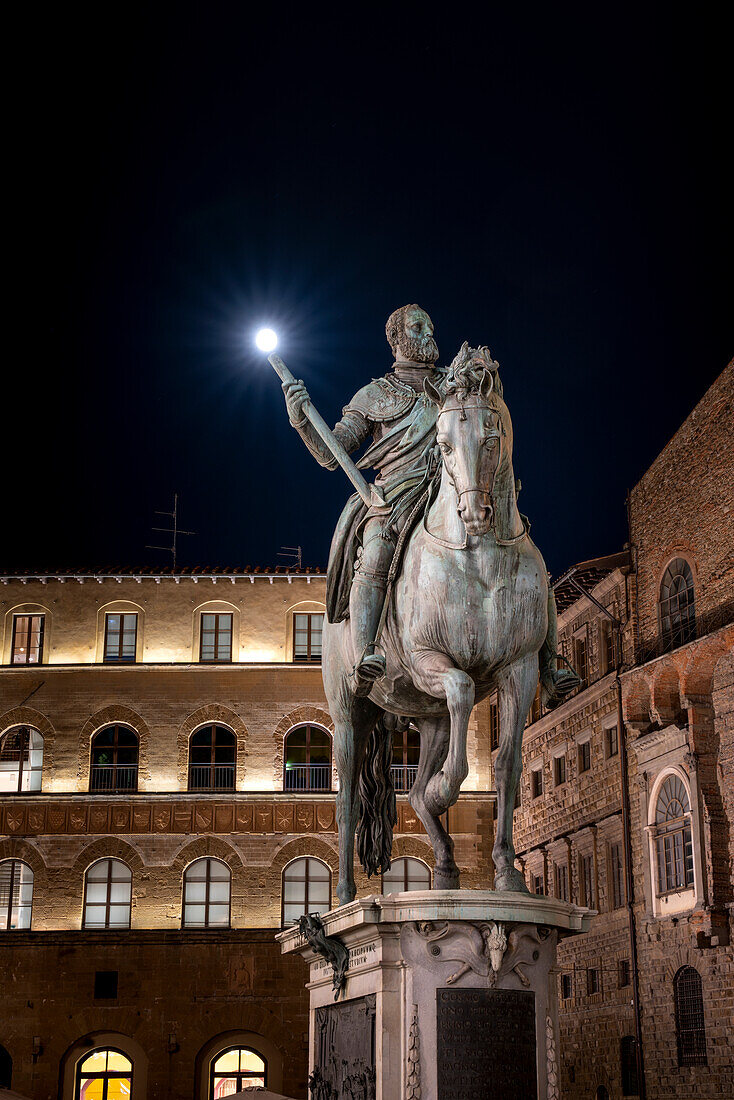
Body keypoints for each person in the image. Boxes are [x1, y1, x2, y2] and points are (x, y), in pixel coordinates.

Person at [282, 304, 580, 706]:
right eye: (419, 327)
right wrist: (301, 418)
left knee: (526, 551)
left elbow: (483, 414)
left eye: (430, 326)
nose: (429, 333)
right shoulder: (375, 395)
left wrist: (485, 369)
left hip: (457, 487)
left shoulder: (452, 385)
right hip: (397, 496)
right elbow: (332, 454)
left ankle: (549, 664)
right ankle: (367, 651)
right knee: (375, 549)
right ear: (397, 338)